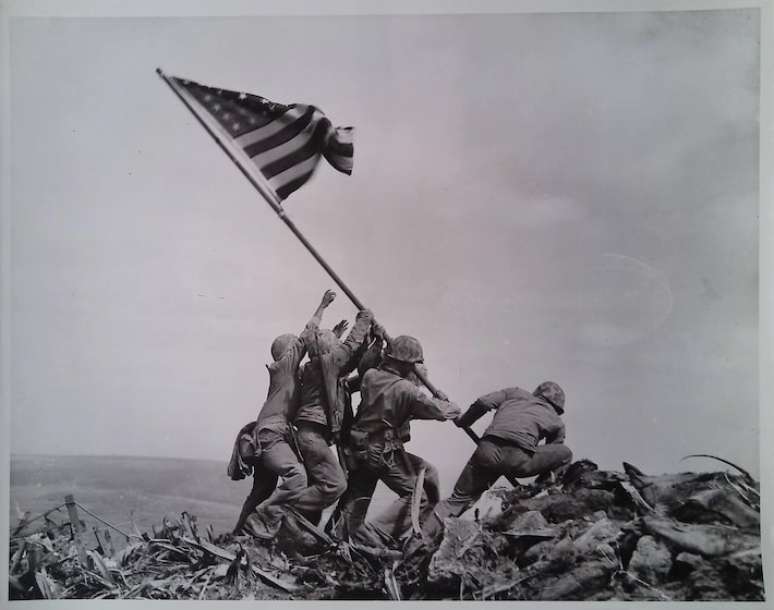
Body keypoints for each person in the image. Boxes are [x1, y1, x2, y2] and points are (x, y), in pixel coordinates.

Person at [340, 335, 461, 547]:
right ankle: (378, 535)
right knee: (418, 497)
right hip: (382, 452)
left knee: (356, 504)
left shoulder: (370, 376)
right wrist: (447, 402)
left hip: (359, 448)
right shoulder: (407, 390)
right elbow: (442, 412)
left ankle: (344, 537)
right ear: (406, 364)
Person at [418, 381, 572, 545]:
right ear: (557, 407)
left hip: (487, 452)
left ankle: (420, 540)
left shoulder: (515, 393)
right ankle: (539, 493)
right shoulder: (557, 421)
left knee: (456, 501)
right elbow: (553, 453)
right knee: (565, 453)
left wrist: (463, 421)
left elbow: (483, 402)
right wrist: (539, 485)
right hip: (518, 461)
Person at [241, 289, 336, 538]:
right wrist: (322, 306)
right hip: (271, 435)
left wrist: (333, 337)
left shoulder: (289, 375)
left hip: (269, 435)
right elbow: (307, 335)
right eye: (295, 348)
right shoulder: (284, 367)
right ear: (288, 351)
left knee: (262, 491)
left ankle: (240, 534)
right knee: (297, 477)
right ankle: (263, 520)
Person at [291, 307, 375, 525]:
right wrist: (364, 319)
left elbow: (351, 362)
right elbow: (350, 347)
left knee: (316, 485)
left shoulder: (318, 368)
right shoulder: (327, 364)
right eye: (336, 346)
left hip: (311, 435)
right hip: (312, 436)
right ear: (330, 350)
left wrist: (370, 344)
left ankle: (298, 529)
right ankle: (281, 507)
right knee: (336, 484)